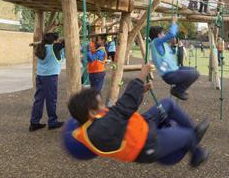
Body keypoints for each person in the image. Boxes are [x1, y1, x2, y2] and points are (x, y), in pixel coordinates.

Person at [67, 64, 210, 167]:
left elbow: (120, 114)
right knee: (187, 135)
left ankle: (194, 135)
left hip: (143, 127)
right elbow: (123, 108)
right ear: (91, 112)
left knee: (168, 104)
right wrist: (141, 75)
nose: (103, 107)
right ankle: (196, 154)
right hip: (146, 145)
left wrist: (140, 91)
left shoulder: (95, 120)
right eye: (100, 104)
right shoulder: (98, 131)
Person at [149, 15, 199, 100]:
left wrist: (174, 46)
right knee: (195, 73)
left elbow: (172, 55)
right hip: (169, 74)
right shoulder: (156, 42)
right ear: (159, 34)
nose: (164, 35)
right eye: (163, 33)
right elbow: (172, 34)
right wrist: (174, 22)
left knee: (194, 71)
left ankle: (179, 88)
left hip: (174, 69)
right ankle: (178, 90)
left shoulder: (162, 44)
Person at [29, 32, 65, 131]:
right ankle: (52, 122)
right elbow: (65, 42)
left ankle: (34, 122)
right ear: (54, 40)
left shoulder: (41, 47)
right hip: (50, 77)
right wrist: (61, 40)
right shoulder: (54, 47)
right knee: (51, 99)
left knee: (39, 99)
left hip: (40, 76)